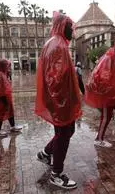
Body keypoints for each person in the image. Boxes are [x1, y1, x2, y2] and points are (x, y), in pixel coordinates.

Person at [35, 11, 81, 190]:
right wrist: (63, 101)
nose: (73, 31)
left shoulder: (54, 43)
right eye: (70, 27)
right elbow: (55, 78)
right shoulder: (58, 45)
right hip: (59, 101)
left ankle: (46, 152)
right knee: (64, 134)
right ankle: (56, 174)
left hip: (58, 100)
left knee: (67, 131)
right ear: (63, 27)